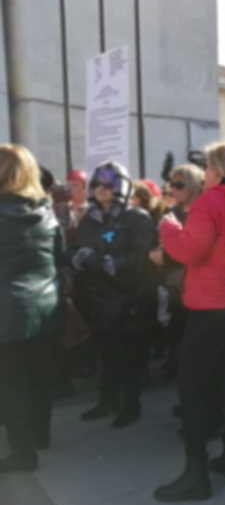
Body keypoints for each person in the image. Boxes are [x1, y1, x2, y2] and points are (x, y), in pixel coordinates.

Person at [154, 141, 225, 502]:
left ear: (217, 169)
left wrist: (168, 227)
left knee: (192, 386)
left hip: (210, 306)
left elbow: (189, 250)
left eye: (206, 167)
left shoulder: (211, 201)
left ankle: (196, 472)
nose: (203, 174)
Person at [69, 162, 155, 429]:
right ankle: (107, 402)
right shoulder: (91, 218)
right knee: (106, 356)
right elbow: (77, 247)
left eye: (107, 184)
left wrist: (109, 262)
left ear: (120, 186)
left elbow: (140, 257)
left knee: (129, 357)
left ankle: (130, 406)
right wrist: (88, 259)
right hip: (100, 298)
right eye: (96, 184)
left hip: (130, 298)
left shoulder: (137, 217)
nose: (101, 190)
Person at [0, 144, 63, 472]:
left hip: (7, 312)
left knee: (11, 384)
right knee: (39, 377)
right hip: (46, 305)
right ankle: (40, 435)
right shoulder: (46, 210)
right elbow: (60, 257)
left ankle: (23, 453)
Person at [148, 164, 204, 382]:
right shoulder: (172, 212)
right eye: (172, 184)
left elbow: (195, 250)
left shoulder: (202, 212)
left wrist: (167, 256)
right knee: (176, 334)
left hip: (197, 288)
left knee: (193, 344)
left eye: (179, 184)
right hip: (174, 285)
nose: (174, 189)